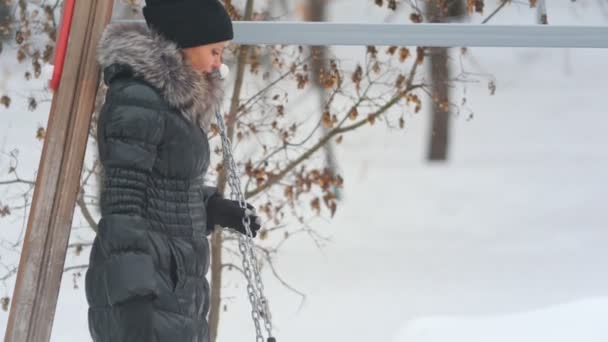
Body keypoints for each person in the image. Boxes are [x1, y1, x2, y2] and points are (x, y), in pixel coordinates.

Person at [84, 1, 261, 341]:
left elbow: (166, 186)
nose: (218, 63)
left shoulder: (170, 103)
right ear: (187, 41)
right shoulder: (139, 100)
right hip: (144, 290)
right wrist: (133, 297)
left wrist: (212, 208)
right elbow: (122, 206)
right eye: (214, 51)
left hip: (173, 283)